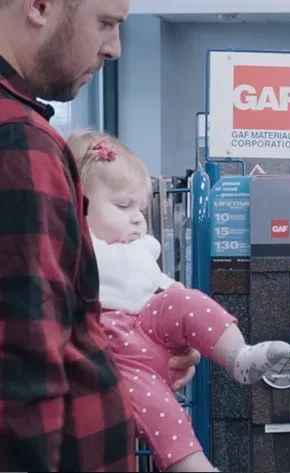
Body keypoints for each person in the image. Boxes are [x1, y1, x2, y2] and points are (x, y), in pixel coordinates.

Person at [0, 0, 200, 470]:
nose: (114, 49)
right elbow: (25, 358)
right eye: (107, 23)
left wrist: (134, 351)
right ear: (39, 5)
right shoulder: (20, 140)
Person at [68, 129, 290, 472]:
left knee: (187, 299)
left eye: (140, 208)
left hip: (146, 328)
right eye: (122, 205)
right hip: (115, 352)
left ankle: (238, 355)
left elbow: (165, 288)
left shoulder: (139, 249)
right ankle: (193, 467)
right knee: (160, 407)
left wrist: (184, 324)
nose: (137, 218)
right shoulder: (75, 249)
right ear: (78, 203)